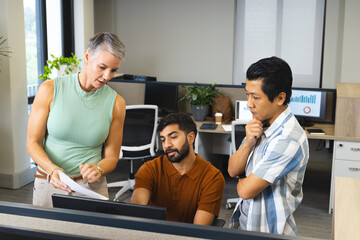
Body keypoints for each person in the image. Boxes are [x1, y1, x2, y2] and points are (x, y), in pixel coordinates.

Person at [27, 32, 126, 208]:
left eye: (113, 70)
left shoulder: (116, 103)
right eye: (102, 67)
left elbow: (111, 157)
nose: (107, 76)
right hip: (50, 181)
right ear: (87, 56)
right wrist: (52, 169)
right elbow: (32, 143)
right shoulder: (49, 89)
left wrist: (99, 169)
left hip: (91, 187)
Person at [228, 56, 309, 235]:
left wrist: (243, 177)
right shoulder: (260, 124)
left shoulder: (288, 138)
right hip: (245, 224)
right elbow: (233, 170)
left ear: (280, 98)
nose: (249, 104)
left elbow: (245, 191)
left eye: (256, 97)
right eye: (247, 95)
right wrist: (248, 143)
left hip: (268, 231)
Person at [130, 113, 225, 225]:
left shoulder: (212, 177)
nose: (167, 145)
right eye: (163, 140)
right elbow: (136, 211)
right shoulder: (150, 169)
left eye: (173, 137)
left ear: (190, 138)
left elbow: (199, 230)